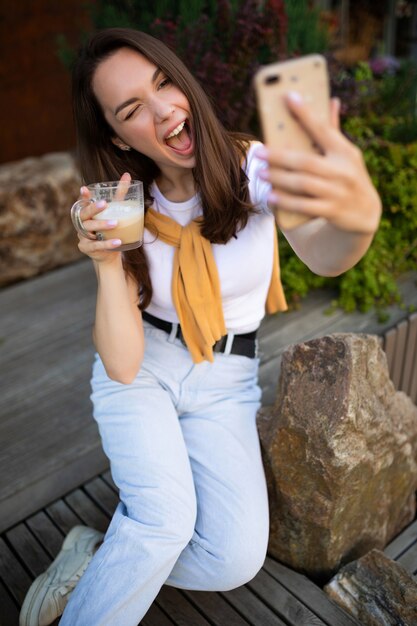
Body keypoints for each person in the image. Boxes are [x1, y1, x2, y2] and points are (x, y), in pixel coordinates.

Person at [20, 27, 381, 626]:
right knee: (165, 520)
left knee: (232, 559)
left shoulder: (253, 167)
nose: (162, 110)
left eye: (164, 84)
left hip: (225, 379)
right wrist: (108, 265)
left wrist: (358, 219)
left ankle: (100, 553)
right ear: (117, 135)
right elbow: (123, 365)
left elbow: (324, 252)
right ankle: (131, 547)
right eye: (133, 108)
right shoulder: (125, 204)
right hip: (146, 370)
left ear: (185, 84)